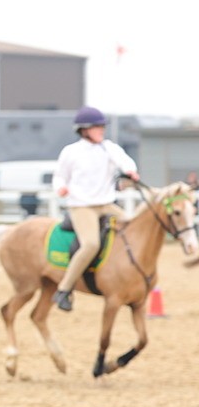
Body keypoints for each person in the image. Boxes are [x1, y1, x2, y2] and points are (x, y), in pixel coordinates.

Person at [51, 106, 139, 311]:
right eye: (97, 127)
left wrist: (131, 171)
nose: (101, 130)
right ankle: (64, 289)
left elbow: (125, 161)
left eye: (102, 126)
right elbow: (59, 176)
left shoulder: (109, 148)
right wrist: (61, 188)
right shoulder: (71, 152)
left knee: (135, 228)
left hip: (106, 204)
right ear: (84, 130)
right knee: (90, 244)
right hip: (82, 206)